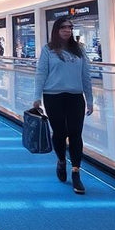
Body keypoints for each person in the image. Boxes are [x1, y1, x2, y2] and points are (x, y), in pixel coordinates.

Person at [32, 17, 94, 195]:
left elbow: (86, 75)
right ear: (56, 30)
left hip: (75, 97)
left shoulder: (79, 49)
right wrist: (37, 97)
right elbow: (41, 73)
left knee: (75, 133)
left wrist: (89, 99)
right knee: (60, 133)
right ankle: (61, 160)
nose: (67, 30)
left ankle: (75, 172)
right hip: (53, 96)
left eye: (70, 27)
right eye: (63, 27)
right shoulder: (48, 50)